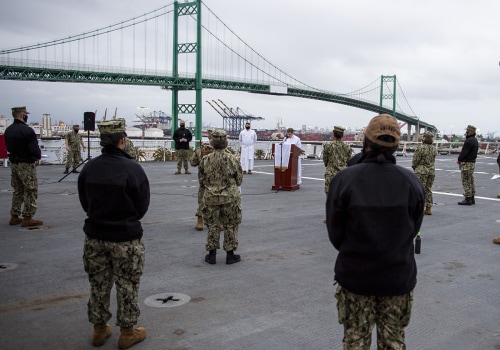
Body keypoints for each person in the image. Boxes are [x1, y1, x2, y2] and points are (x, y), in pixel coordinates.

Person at [326, 114, 424, 349]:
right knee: (393, 341)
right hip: (397, 277)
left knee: (355, 341)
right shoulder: (411, 182)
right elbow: (414, 228)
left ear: (365, 141)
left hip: (355, 276)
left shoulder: (344, 179)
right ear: (396, 145)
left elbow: (335, 232)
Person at [78, 119, 150, 349]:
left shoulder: (89, 168)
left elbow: (84, 202)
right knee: (127, 284)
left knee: (98, 283)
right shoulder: (133, 168)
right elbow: (142, 205)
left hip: (95, 236)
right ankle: (127, 333)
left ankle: (99, 330)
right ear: (122, 140)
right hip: (125, 238)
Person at [198, 129, 243, 265]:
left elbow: (202, 180)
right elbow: (239, 179)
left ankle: (211, 255)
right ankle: (230, 255)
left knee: (212, 225)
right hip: (230, 197)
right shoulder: (232, 159)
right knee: (230, 225)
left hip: (211, 197)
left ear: (212, 142)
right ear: (226, 142)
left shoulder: (205, 160)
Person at [5, 106, 44, 227]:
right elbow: (34, 150)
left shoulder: (8, 130)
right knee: (30, 189)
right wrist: (36, 156)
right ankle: (28, 217)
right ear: (22, 115)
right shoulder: (27, 131)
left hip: (14, 164)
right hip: (26, 164)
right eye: (25, 114)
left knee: (18, 190)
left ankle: (14, 216)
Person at [190, 134, 214, 231]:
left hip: (204, 180)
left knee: (202, 201)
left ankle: (200, 221)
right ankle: (217, 223)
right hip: (218, 181)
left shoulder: (200, 149)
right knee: (218, 202)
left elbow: (192, 163)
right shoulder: (222, 150)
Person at [412, 131, 437, 215]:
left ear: (425, 138)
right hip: (431, 171)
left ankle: (419, 208)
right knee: (428, 189)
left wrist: (414, 167)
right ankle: (428, 208)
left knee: (419, 190)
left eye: (423, 137)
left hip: (421, 170)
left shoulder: (421, 148)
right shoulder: (434, 148)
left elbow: (415, 160)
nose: (422, 138)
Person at [322, 126, 352, 196]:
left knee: (330, 195)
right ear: (342, 135)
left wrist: (328, 164)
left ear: (333, 134)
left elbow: (325, 159)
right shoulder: (347, 146)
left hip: (331, 173)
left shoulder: (328, 145)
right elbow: (348, 160)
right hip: (343, 174)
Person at [457, 125, 479, 205]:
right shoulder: (475, 140)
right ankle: (472, 197)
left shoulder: (469, 141)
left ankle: (468, 198)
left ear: (470, 131)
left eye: (467, 131)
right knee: (471, 180)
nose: (466, 132)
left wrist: (459, 159)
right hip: (472, 162)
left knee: (465, 180)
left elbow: (464, 152)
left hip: (466, 162)